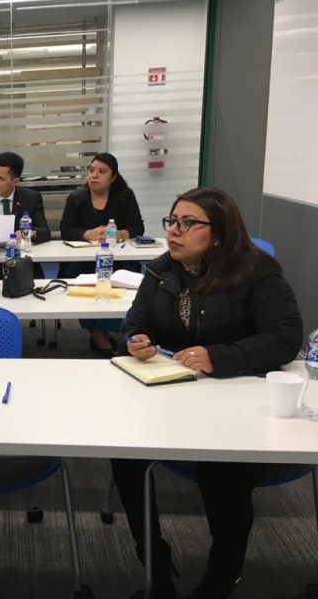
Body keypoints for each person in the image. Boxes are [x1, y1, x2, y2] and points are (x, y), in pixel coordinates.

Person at [112, 187, 302, 599]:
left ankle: (222, 576)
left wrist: (219, 357)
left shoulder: (256, 271)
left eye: (188, 223)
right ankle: (155, 563)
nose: (173, 231)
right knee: (124, 453)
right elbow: (133, 322)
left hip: (240, 403)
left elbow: (286, 337)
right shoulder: (161, 271)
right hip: (175, 400)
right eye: (172, 221)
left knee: (221, 470)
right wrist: (135, 340)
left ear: (218, 233)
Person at [60, 152, 145, 356]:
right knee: (74, 276)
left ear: (113, 177)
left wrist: (121, 234)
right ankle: (97, 332)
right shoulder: (76, 199)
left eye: (102, 172)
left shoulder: (124, 197)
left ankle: (116, 327)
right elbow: (65, 230)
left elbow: (138, 227)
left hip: (117, 259)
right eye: (91, 170)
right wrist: (87, 233)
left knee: (126, 277)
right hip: (82, 260)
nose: (94, 175)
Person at [0, 151, 51, 243]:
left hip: (17, 248)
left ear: (15, 181)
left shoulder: (31, 198)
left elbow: (45, 232)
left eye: (0, 178)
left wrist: (29, 233)